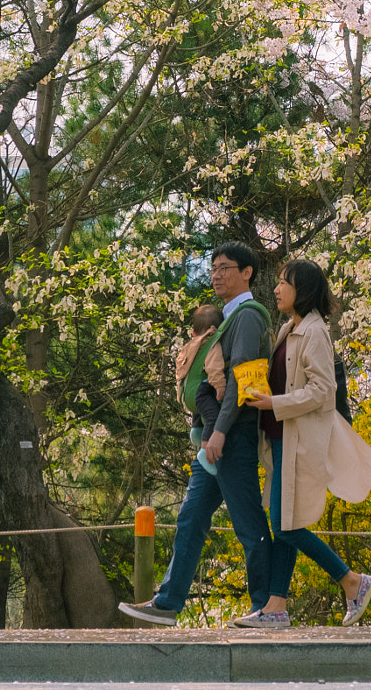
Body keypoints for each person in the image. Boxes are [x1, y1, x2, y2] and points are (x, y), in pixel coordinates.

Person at [119, 242, 274, 625]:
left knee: (248, 523)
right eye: (214, 268)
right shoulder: (227, 318)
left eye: (225, 267)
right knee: (190, 518)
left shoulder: (248, 316)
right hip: (214, 439)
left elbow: (241, 379)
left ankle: (268, 607)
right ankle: (169, 603)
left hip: (231, 438)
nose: (217, 274)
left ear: (247, 272)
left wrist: (218, 431)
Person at [237, 259, 371, 628]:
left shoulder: (316, 332)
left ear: (301, 289)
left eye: (284, 282)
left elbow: (323, 391)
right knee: (286, 523)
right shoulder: (291, 328)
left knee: (286, 525)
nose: (276, 289)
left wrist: (274, 403)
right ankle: (275, 607)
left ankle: (352, 581)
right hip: (279, 441)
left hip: (299, 441)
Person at [174, 303, 226, 475]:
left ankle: (196, 429)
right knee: (213, 416)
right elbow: (214, 367)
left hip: (187, 395)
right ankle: (204, 450)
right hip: (201, 392)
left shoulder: (189, 346)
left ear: (193, 333)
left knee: (201, 410)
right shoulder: (212, 344)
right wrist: (219, 386)